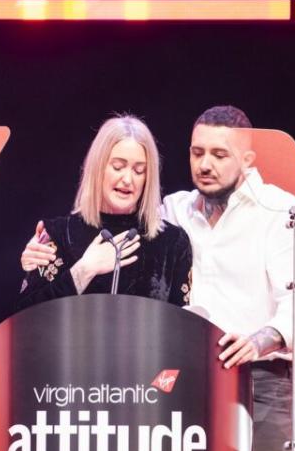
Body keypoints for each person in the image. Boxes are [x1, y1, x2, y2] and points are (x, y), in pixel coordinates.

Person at [22, 106, 295, 451]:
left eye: (220, 154)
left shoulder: (284, 215)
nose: (205, 164)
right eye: (197, 152)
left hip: (261, 382)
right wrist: (42, 255)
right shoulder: (174, 211)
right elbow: (105, 214)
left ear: (247, 159)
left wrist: (258, 338)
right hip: (186, 389)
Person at [17, 115, 192, 310]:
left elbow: (182, 327)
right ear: (98, 168)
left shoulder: (173, 243)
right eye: (118, 167)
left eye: (139, 170)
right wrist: (84, 270)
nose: (128, 179)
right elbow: (26, 317)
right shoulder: (57, 235)